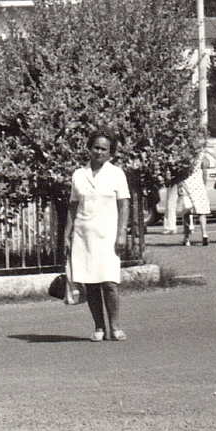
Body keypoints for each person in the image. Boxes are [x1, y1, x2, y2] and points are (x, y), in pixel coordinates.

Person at [64, 131, 130, 342]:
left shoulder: (116, 174)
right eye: (96, 147)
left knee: (110, 283)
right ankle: (99, 327)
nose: (99, 152)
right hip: (84, 235)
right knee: (91, 282)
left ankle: (115, 326)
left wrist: (121, 233)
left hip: (108, 235)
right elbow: (73, 206)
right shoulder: (78, 175)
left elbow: (124, 204)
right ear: (89, 149)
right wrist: (67, 233)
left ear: (111, 153)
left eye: (104, 149)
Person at [178, 146, 212, 247]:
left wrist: (179, 184)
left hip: (187, 182)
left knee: (187, 211)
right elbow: (205, 169)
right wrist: (204, 183)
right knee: (202, 211)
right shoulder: (201, 154)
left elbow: (180, 171)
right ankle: (204, 234)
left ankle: (187, 238)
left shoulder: (184, 154)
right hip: (198, 183)